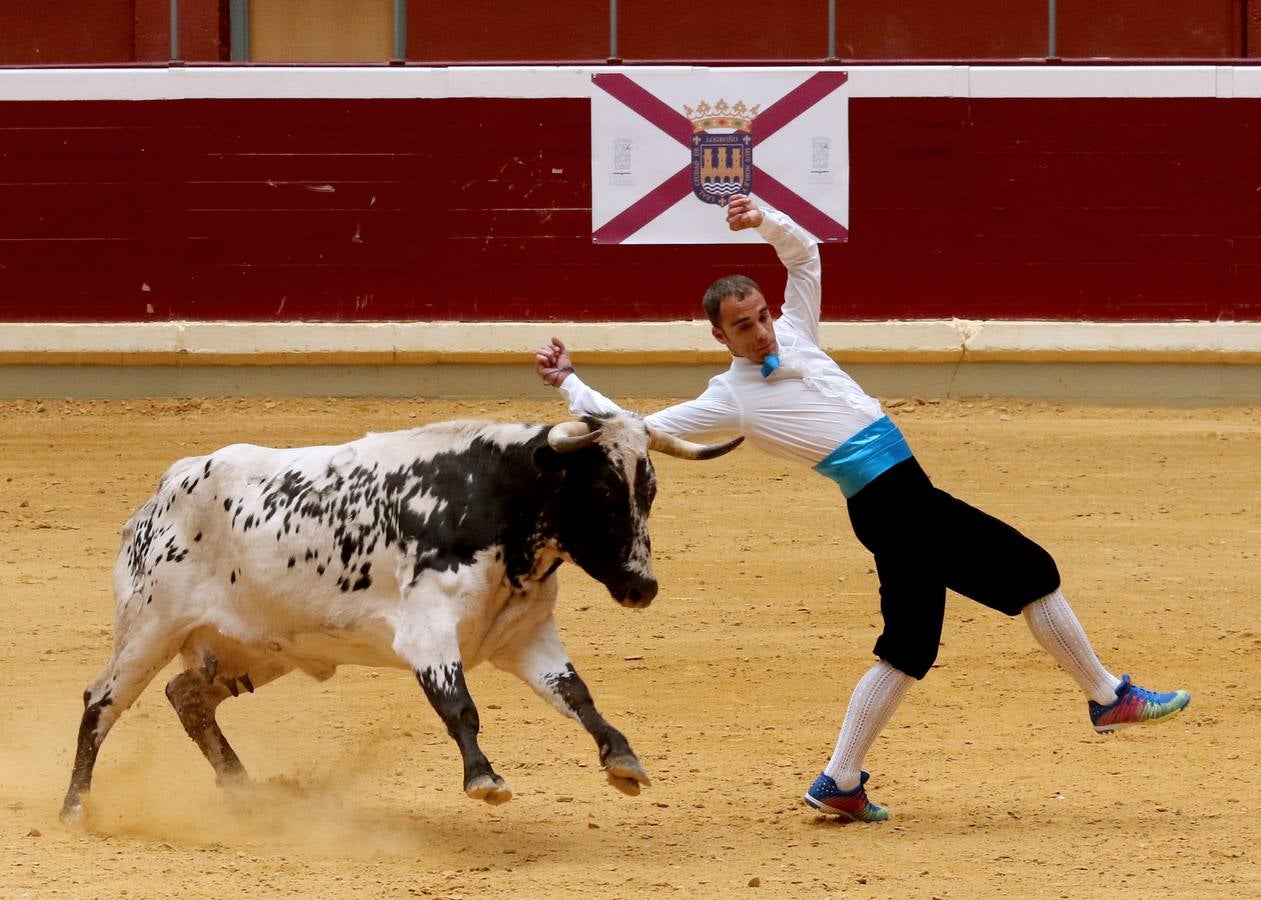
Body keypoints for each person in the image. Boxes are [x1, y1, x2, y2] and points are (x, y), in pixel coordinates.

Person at [534, 194, 1190, 823]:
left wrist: (761, 218)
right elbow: (629, 426)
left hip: (892, 499)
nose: (760, 330)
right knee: (1031, 569)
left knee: (907, 648)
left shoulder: (795, 329)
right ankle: (1107, 697)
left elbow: (804, 257)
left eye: (761, 315)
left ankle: (839, 781)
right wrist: (570, 385)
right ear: (718, 335)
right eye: (743, 325)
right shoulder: (728, 399)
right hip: (891, 499)